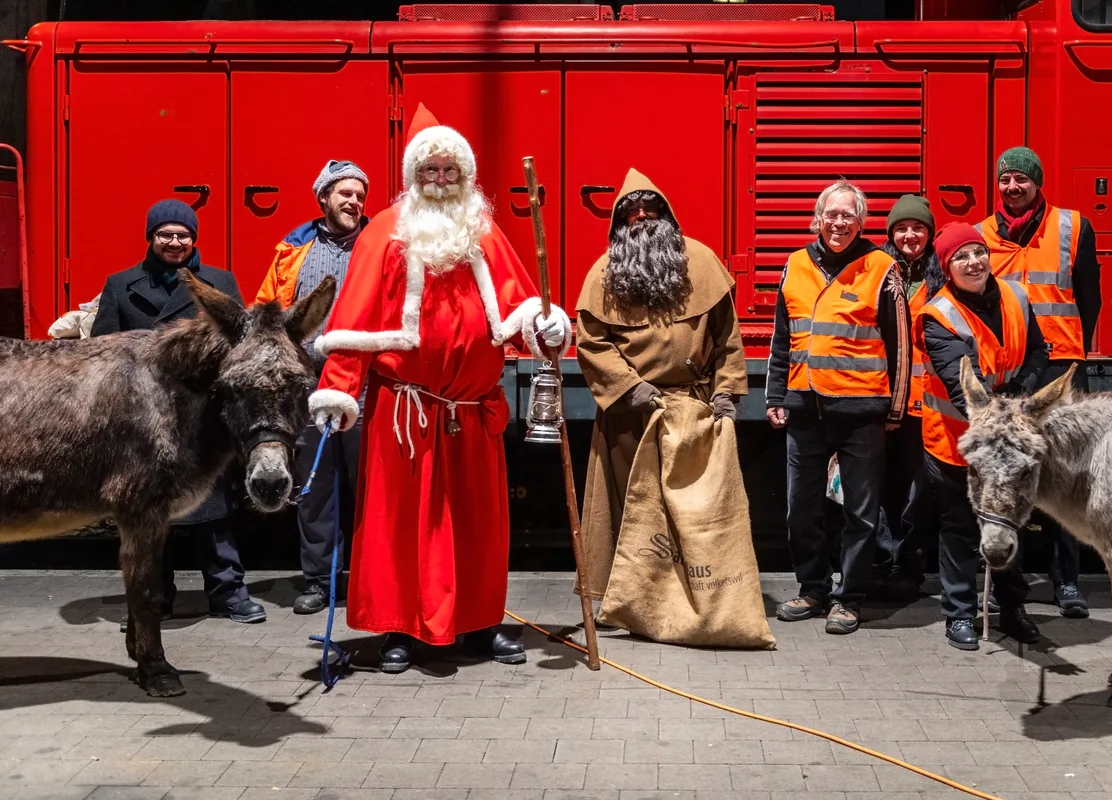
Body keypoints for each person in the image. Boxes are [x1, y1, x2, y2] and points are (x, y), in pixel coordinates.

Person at [306, 104, 570, 673]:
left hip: (472, 412)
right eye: (431, 171)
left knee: (478, 526)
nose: (441, 180)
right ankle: (400, 628)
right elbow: (354, 321)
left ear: (465, 175)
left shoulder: (484, 231)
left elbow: (524, 307)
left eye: (450, 170)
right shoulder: (383, 233)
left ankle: (479, 622)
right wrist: (338, 390)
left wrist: (545, 327)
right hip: (405, 414)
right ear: (414, 176)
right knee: (401, 525)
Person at [574, 168, 748, 606]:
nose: (641, 216)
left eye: (650, 208)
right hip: (630, 417)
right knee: (633, 509)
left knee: (693, 509)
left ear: (667, 214)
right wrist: (631, 390)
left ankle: (692, 600)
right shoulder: (603, 274)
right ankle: (631, 601)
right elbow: (591, 343)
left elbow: (727, 337)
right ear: (619, 222)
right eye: (631, 211)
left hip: (694, 411)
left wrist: (726, 393)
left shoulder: (702, 262)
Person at [91, 199, 267, 627]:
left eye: (183, 235)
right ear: (151, 238)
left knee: (214, 511)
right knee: (148, 510)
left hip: (201, 414)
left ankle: (229, 592)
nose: (174, 242)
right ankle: (155, 597)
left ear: (194, 238)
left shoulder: (219, 282)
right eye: (165, 234)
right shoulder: (121, 285)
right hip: (142, 419)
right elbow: (99, 352)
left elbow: (238, 348)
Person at [765, 181, 911, 635]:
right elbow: (783, 337)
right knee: (799, 509)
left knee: (860, 514)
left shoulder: (882, 267)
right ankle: (813, 589)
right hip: (804, 407)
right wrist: (774, 396)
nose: (839, 222)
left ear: (861, 222)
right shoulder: (795, 264)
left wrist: (896, 407)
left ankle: (848, 599)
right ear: (818, 218)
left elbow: (900, 344)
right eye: (832, 214)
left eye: (849, 215)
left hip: (862, 409)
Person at [976, 146, 1100, 618]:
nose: (1012, 187)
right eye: (1005, 180)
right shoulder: (983, 235)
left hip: (1061, 370)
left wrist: (1071, 352)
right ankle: (1005, 582)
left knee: (1065, 474)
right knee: (1005, 475)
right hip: (1008, 368)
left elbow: (1089, 298)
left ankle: (1066, 581)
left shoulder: (1073, 226)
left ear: (1037, 182)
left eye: (1021, 180)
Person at [913, 222, 1047, 650]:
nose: (973, 262)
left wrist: (1020, 390)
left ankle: (1012, 609)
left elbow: (1039, 351)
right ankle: (959, 614)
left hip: (1006, 441)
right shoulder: (938, 316)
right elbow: (961, 383)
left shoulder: (1017, 295)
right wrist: (1004, 408)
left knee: (1008, 520)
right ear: (947, 268)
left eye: (978, 252)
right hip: (957, 439)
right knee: (959, 528)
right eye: (961, 257)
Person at [256, 159, 370, 615]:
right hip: (307, 391)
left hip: (367, 388)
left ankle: (371, 581)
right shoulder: (292, 250)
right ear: (323, 198)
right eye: (345, 193)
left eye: (360, 195)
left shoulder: (380, 247)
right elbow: (267, 313)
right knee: (316, 488)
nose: (354, 202)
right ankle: (321, 581)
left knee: (372, 490)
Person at [874, 194, 943, 601]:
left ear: (929, 233)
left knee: (918, 492)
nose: (910, 235)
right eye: (901, 228)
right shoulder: (878, 271)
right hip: (883, 397)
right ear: (891, 234)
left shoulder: (942, 276)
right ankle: (881, 561)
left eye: (918, 228)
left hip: (924, 401)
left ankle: (908, 568)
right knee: (881, 486)